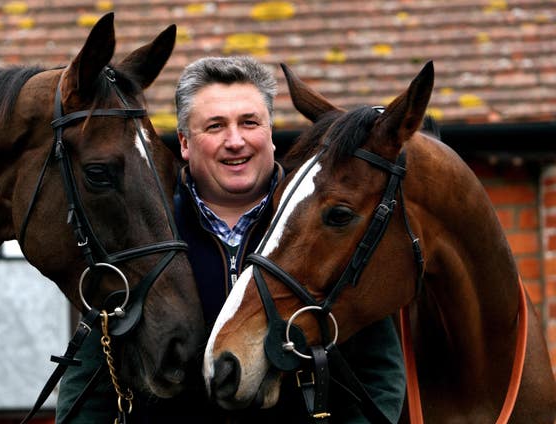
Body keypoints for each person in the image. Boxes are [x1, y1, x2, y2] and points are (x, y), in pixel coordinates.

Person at [55, 56, 406, 423]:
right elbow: (90, 384)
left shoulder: (330, 228)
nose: (235, 141)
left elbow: (378, 378)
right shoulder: (140, 235)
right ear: (185, 144)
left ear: (270, 136)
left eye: (250, 123)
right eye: (215, 126)